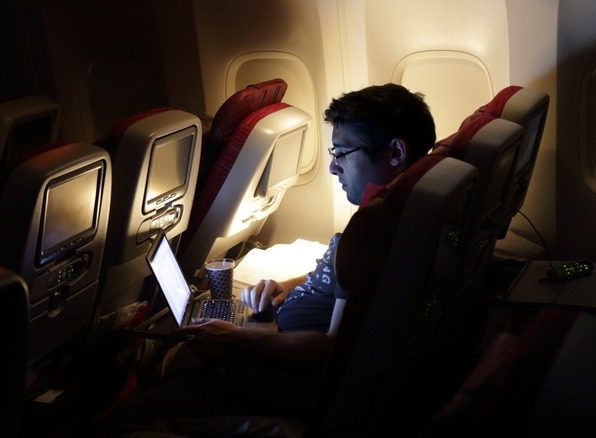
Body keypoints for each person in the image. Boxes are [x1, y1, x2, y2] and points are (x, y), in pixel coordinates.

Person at [90, 83, 436, 436]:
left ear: (395, 153)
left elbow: (335, 351)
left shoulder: (377, 226)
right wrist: (285, 288)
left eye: (343, 152)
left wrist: (239, 341)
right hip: (279, 333)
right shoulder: (398, 207)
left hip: (290, 375)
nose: (333, 167)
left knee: (124, 418)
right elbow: (345, 283)